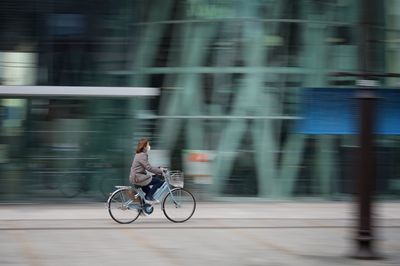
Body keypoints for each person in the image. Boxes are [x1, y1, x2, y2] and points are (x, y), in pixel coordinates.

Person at [129, 138, 164, 203]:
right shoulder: (142, 155)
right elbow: (149, 168)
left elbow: (146, 167)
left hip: (137, 177)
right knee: (158, 181)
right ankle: (149, 197)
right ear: (144, 147)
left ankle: (144, 207)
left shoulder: (139, 154)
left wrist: (157, 169)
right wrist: (161, 171)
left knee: (149, 190)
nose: (149, 146)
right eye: (148, 145)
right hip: (138, 178)